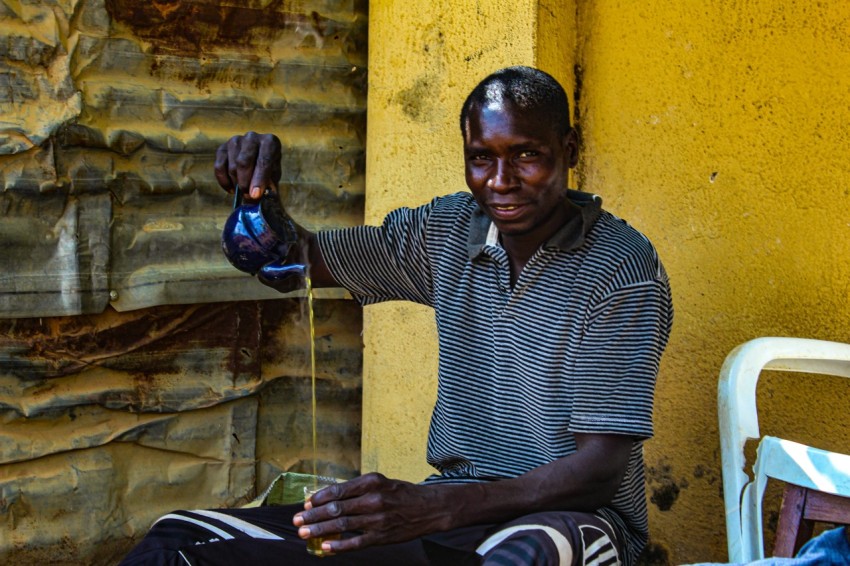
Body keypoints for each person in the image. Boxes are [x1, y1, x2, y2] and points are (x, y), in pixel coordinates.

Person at [121, 66, 673, 566]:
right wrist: (255, 197)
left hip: (573, 524)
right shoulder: (449, 231)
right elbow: (290, 261)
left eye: (526, 155)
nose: (500, 181)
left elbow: (598, 471)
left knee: (527, 555)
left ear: (568, 149)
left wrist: (431, 506)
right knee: (176, 541)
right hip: (457, 512)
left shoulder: (618, 269)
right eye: (482, 157)